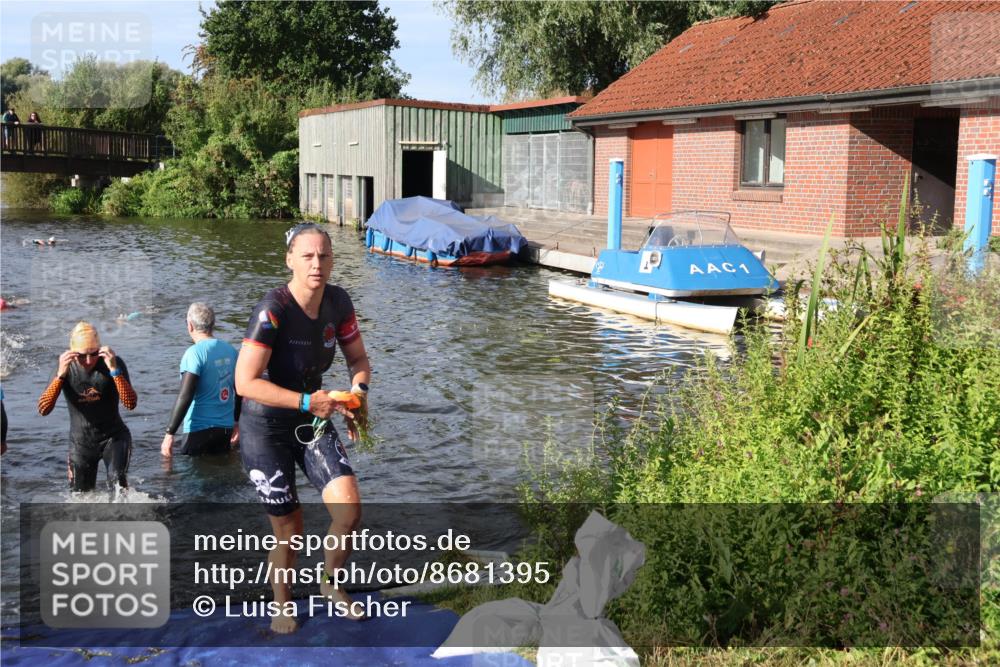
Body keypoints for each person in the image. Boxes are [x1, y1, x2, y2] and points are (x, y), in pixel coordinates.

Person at [235, 222, 371, 634]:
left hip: (313, 416)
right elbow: (246, 383)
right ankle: (282, 603)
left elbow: (358, 360)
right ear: (290, 260)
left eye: (324, 255)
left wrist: (357, 395)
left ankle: (330, 584)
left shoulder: (338, 302)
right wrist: (307, 401)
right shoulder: (272, 309)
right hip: (265, 427)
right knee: (289, 529)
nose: (317, 264)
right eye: (307, 256)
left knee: (349, 509)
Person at [37, 322, 137, 492]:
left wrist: (114, 371)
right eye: (82, 356)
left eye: (94, 354)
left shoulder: (112, 362)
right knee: (80, 498)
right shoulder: (64, 367)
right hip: (81, 443)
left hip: (114, 438)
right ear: (72, 353)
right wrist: (60, 376)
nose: (89, 360)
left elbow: (130, 404)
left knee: (117, 485)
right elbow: (43, 409)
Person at [161, 302, 240, 457]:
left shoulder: (194, 354)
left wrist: (169, 433)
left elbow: (185, 395)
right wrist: (236, 422)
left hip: (198, 430)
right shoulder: (230, 351)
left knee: (192, 478)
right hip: (225, 429)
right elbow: (240, 390)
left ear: (190, 326)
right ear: (213, 324)